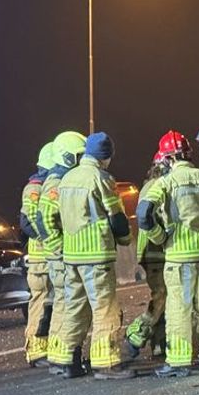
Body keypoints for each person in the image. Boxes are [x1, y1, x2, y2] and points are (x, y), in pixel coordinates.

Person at [138, 131, 199, 377]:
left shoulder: (166, 182)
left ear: (168, 159)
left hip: (180, 257)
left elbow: (143, 214)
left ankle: (179, 362)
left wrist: (160, 237)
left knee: (179, 309)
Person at [49, 132, 133, 379]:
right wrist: (125, 239)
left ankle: (66, 361)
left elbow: (52, 216)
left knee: (74, 308)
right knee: (104, 308)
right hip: (96, 256)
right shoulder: (102, 178)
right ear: (105, 157)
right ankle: (105, 363)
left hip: (71, 257)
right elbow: (116, 216)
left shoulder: (66, 179)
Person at [36, 130, 87, 376]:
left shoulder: (58, 180)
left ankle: (58, 357)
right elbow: (43, 218)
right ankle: (64, 357)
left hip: (59, 257)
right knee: (69, 305)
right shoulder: (56, 183)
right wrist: (58, 247)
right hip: (60, 258)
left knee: (63, 304)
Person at [125, 151, 171, 359]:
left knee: (165, 299)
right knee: (162, 297)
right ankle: (136, 333)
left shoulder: (150, 184)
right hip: (156, 252)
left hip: (152, 251)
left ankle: (160, 344)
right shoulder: (158, 186)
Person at [19, 141, 58, 368]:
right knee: (41, 304)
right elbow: (27, 222)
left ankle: (48, 348)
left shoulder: (44, 186)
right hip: (41, 259)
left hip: (48, 258)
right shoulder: (35, 188)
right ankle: (35, 350)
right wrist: (48, 238)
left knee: (51, 305)